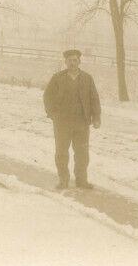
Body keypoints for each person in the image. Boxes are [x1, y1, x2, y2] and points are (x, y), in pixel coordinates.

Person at [43, 49, 101, 190]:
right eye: (70, 60)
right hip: (62, 123)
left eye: (75, 60)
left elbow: (94, 99)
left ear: (79, 62)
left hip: (82, 123)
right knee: (62, 152)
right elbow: (47, 96)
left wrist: (96, 117)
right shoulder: (58, 78)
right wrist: (52, 114)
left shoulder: (87, 78)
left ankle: (81, 181)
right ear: (66, 62)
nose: (72, 63)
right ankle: (63, 180)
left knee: (82, 153)